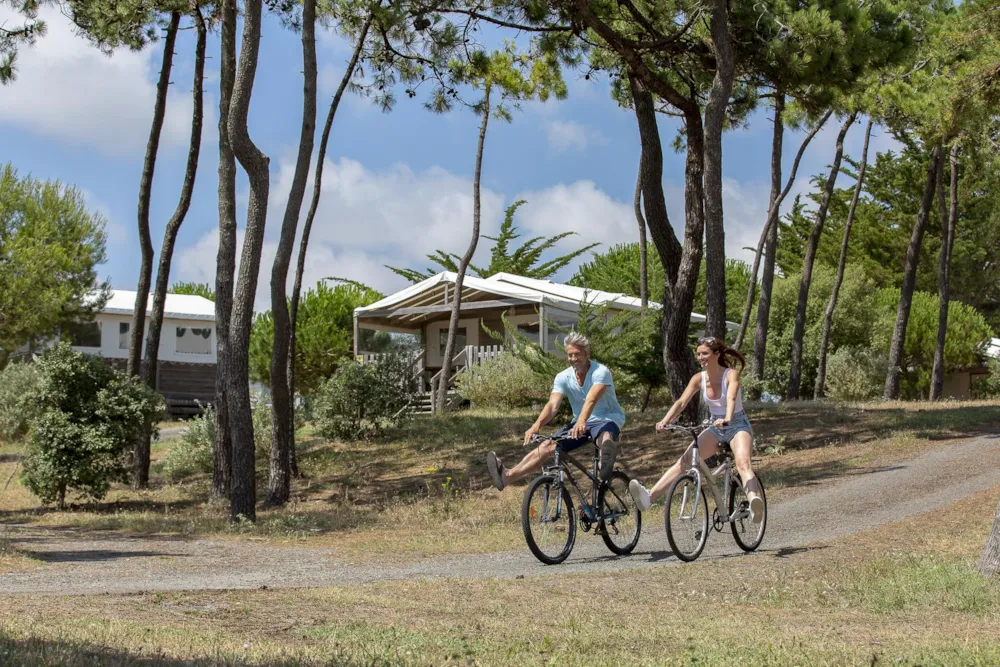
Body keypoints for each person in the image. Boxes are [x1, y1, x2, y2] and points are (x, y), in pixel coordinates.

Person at [628, 336, 764, 523]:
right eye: (698, 354)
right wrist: (665, 421)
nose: (701, 358)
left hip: (737, 424)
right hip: (715, 426)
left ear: (716, 354)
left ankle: (754, 501)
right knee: (684, 461)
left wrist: (727, 418)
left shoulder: (730, 374)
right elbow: (682, 402)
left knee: (743, 464)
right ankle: (648, 497)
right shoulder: (699, 378)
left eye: (705, 354)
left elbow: (731, 398)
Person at [485, 331, 625, 491]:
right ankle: (508, 476)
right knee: (547, 446)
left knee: (604, 436)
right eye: (570, 355)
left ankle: (604, 464)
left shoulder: (601, 372)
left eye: (577, 354)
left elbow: (591, 399)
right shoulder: (563, 377)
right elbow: (552, 405)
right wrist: (536, 425)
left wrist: (581, 420)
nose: (573, 359)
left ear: (587, 354)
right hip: (580, 423)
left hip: (607, 418)